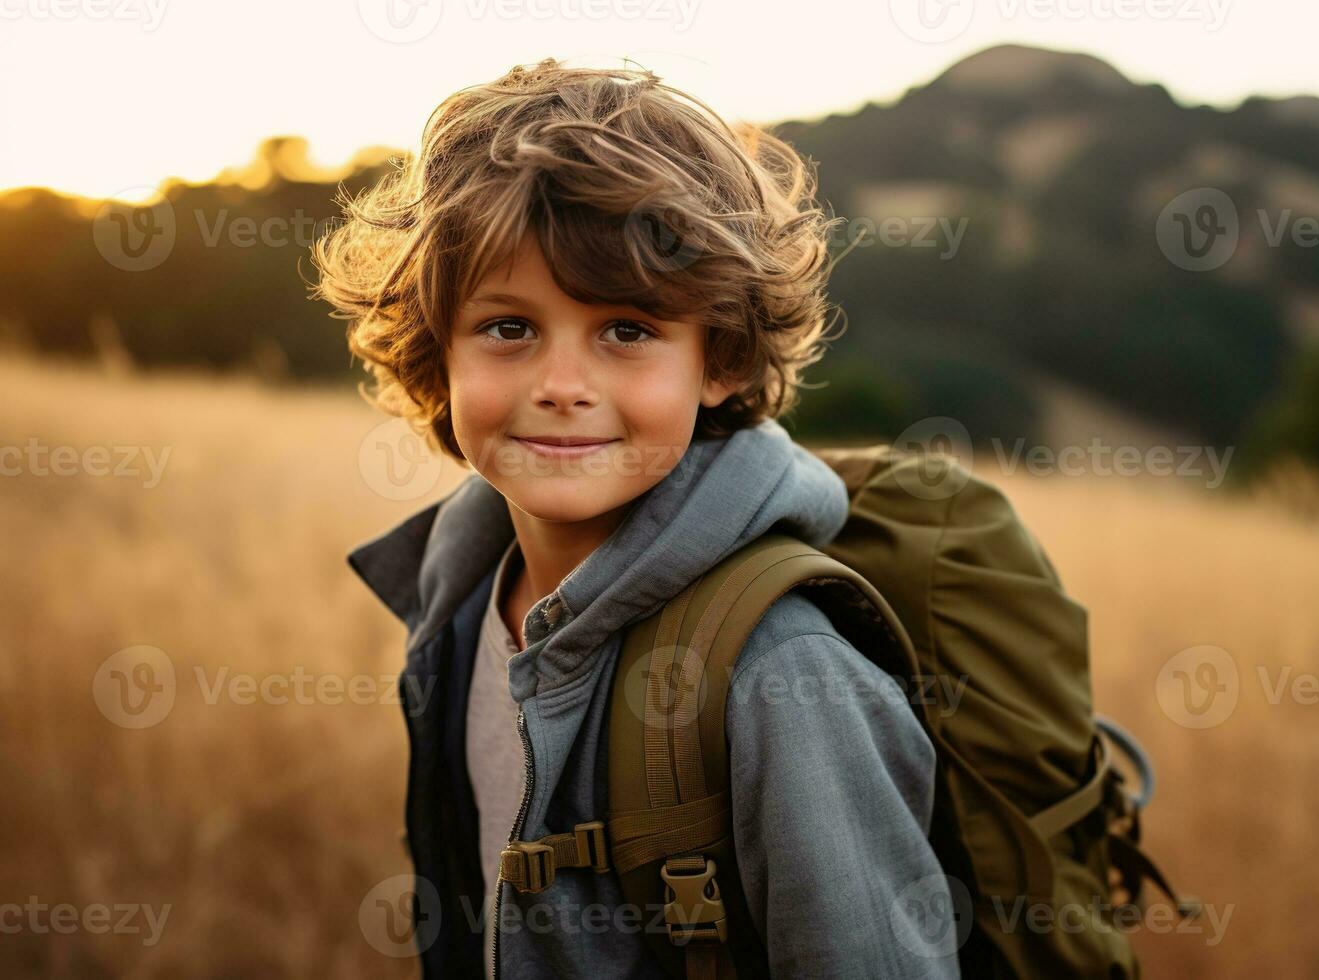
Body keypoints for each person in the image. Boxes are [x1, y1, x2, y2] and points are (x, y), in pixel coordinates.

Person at [315, 57, 960, 979]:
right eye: (508, 327)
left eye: (627, 329)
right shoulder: (455, 602)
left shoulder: (784, 671)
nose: (562, 387)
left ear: (721, 358)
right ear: (436, 350)